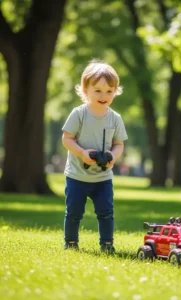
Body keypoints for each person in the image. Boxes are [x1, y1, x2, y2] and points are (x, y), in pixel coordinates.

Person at [61, 59, 128, 253]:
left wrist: (112, 156)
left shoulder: (115, 118)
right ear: (85, 90)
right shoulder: (79, 114)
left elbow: (119, 144)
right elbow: (67, 138)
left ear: (115, 91)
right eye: (97, 90)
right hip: (76, 176)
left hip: (103, 177)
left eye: (109, 91)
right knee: (74, 213)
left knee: (106, 213)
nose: (103, 95)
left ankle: (107, 244)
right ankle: (71, 243)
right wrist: (82, 153)